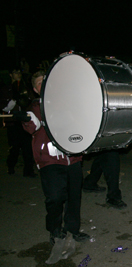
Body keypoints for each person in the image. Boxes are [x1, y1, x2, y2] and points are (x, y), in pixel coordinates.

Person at [18, 70, 90, 245]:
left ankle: (72, 229)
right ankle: (55, 230)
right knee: (55, 197)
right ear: (35, 90)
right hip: (50, 160)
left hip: (72, 158)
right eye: (39, 83)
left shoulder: (66, 103)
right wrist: (26, 118)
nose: (44, 84)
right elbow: (32, 126)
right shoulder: (35, 107)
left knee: (74, 197)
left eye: (46, 81)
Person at [1, 66, 36, 177]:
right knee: (15, 147)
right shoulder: (6, 89)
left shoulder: (24, 87)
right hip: (13, 122)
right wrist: (14, 99)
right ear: (11, 75)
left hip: (24, 121)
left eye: (19, 72)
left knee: (27, 147)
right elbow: (5, 108)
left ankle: (28, 170)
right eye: (15, 72)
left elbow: (29, 102)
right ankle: (11, 165)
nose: (18, 75)